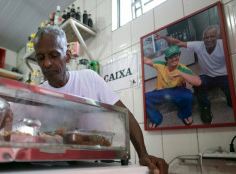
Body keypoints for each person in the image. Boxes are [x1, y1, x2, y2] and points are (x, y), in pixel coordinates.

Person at [33, 26, 169, 174]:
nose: (46, 64)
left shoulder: (89, 78)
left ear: (67, 56)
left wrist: (143, 154)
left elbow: (124, 116)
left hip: (94, 167)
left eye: (54, 55)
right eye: (41, 58)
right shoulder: (37, 94)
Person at [156, 25, 232, 124]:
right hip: (207, 76)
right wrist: (164, 37)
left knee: (231, 98)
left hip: (224, 75)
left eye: (212, 36)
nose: (209, 40)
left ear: (217, 36)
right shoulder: (199, 45)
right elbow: (178, 42)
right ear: (202, 38)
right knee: (197, 85)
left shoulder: (224, 44)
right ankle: (205, 108)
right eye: (206, 37)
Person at [144, 46, 201, 128]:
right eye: (171, 57)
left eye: (176, 56)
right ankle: (156, 118)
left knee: (188, 95)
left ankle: (185, 114)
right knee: (144, 97)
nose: (174, 59)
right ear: (166, 59)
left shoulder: (182, 68)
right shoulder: (161, 65)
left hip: (175, 91)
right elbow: (146, 60)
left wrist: (181, 74)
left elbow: (198, 81)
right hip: (160, 91)